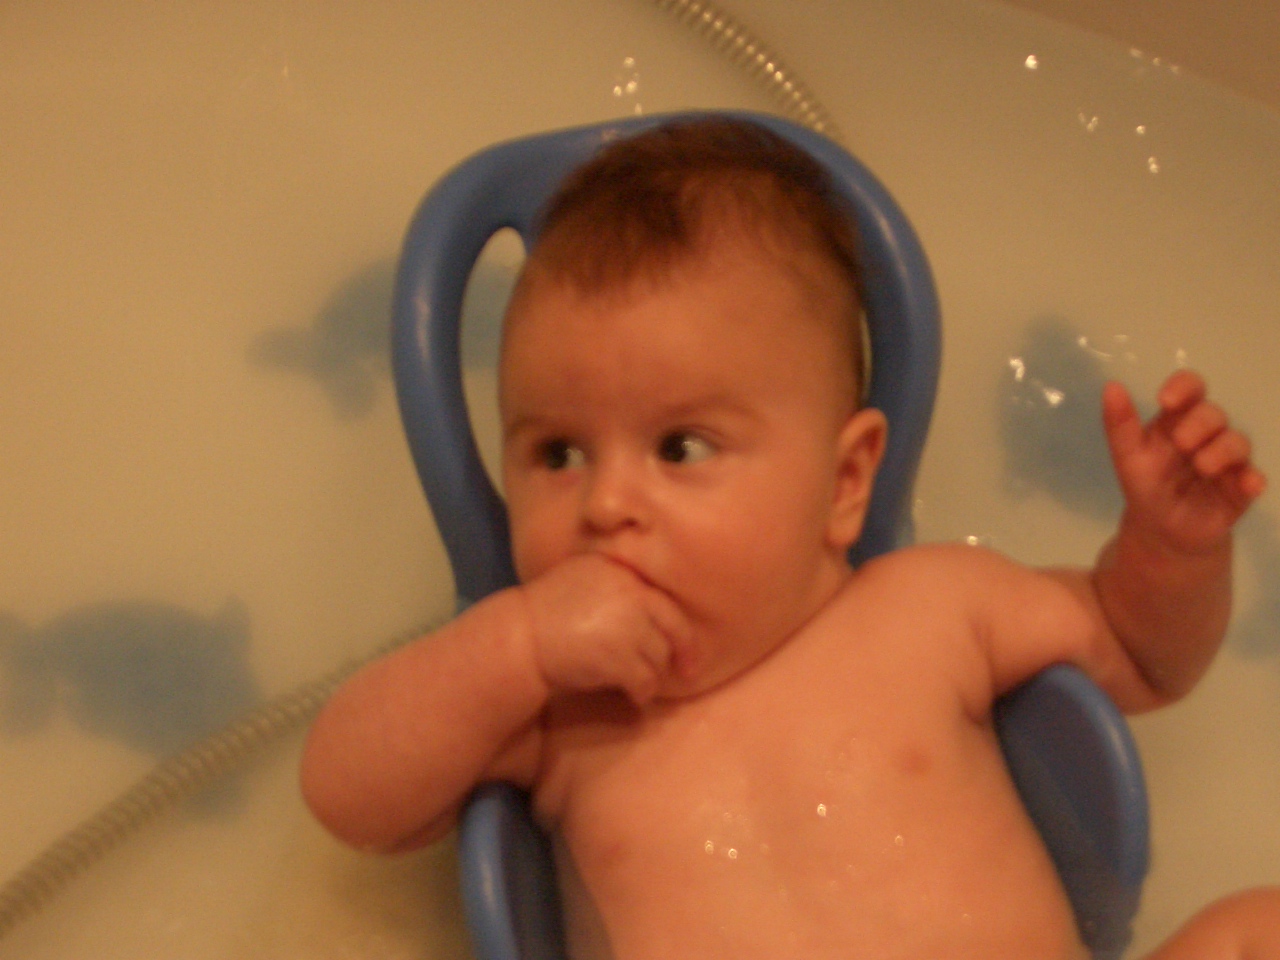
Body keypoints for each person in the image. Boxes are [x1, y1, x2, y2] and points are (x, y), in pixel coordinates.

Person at [300, 118, 1271, 959]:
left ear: (844, 484)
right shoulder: (561, 719)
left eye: (679, 447)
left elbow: (1137, 651)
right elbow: (349, 796)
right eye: (557, 453)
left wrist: (1171, 550)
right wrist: (513, 646)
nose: (605, 503)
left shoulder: (934, 607)